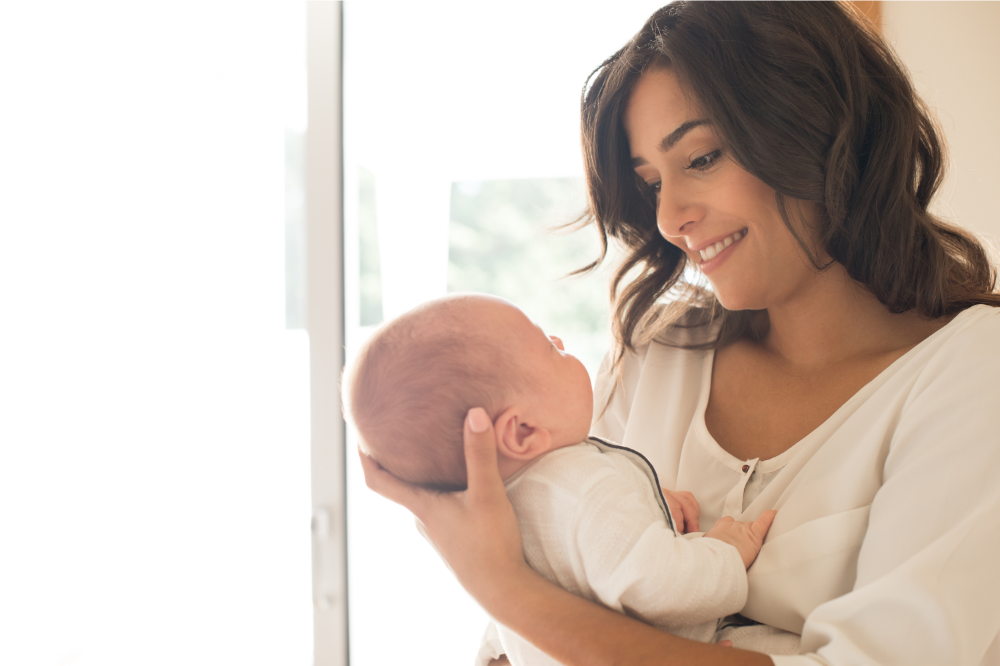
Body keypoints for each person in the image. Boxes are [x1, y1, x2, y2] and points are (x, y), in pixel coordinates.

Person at [361, 2, 1000, 665]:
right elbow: (543, 600)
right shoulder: (660, 348)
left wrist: (500, 586)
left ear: (821, 129)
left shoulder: (972, 373)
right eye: (651, 183)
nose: (668, 217)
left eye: (701, 157)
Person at [344, 292, 777, 665]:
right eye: (548, 347)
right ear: (522, 431)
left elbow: (557, 575)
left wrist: (648, 506)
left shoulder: (503, 511)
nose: (560, 341)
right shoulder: (585, 488)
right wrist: (724, 552)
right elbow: (656, 582)